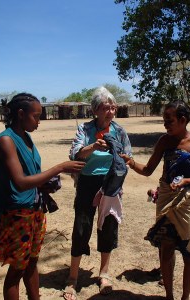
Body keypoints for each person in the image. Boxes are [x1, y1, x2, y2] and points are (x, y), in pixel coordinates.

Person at [0, 93, 85, 300]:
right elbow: (21, 182)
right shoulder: (6, 140)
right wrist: (59, 168)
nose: (40, 121)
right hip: (17, 214)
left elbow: (31, 174)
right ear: (21, 114)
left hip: (34, 209)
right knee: (16, 271)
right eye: (36, 116)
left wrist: (45, 184)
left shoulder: (25, 136)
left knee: (31, 263)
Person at [121, 101, 190, 300]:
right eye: (164, 121)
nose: (165, 125)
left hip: (187, 201)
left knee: (188, 251)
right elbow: (147, 170)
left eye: (169, 121)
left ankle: (185, 297)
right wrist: (130, 162)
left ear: (183, 120)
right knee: (166, 247)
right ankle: (169, 296)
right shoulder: (164, 141)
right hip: (165, 198)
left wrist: (187, 180)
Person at [63, 86, 132, 300]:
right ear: (95, 110)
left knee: (108, 226)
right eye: (105, 108)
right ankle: (73, 278)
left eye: (113, 107)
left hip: (110, 183)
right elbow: (76, 154)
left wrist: (118, 153)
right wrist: (93, 146)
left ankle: (104, 274)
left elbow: (127, 156)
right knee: (82, 227)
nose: (110, 112)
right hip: (87, 182)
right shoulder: (85, 129)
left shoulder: (119, 131)